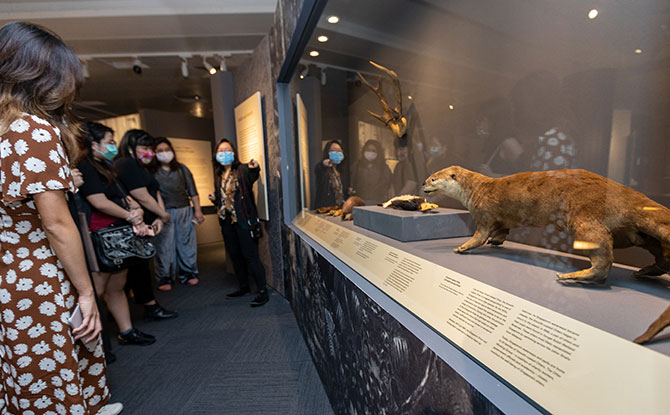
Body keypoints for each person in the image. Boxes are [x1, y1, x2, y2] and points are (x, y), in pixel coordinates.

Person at [0, 21, 122, 415]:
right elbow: (55, 224)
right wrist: (87, 291)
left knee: (26, 369)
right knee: (58, 357)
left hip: (9, 272)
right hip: (38, 272)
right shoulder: (32, 129)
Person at [77, 122, 156, 346]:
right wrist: (130, 215)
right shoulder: (85, 167)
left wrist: (137, 212)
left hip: (120, 235)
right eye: (109, 142)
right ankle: (96, 341)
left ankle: (126, 331)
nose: (113, 146)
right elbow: (98, 201)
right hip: (100, 236)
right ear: (93, 144)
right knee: (98, 288)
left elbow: (126, 196)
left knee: (117, 286)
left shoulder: (108, 166)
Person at [115, 130, 178, 320]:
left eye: (151, 148)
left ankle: (126, 306)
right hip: (134, 225)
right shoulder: (127, 164)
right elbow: (141, 195)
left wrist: (160, 216)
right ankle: (149, 305)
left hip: (147, 223)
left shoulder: (141, 167)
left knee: (137, 267)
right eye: (145, 148)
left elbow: (154, 192)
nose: (149, 152)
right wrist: (163, 215)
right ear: (130, 147)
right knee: (138, 267)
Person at [209, 139, 269, 307]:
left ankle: (262, 291)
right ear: (216, 154)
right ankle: (244, 287)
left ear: (233, 153)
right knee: (235, 256)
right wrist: (215, 200)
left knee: (251, 256)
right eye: (221, 150)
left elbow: (252, 175)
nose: (225, 152)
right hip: (227, 222)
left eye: (228, 149)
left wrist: (255, 167)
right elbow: (223, 198)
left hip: (243, 220)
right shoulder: (219, 176)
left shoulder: (242, 170)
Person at [150, 138, 204, 290]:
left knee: (185, 242)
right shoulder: (152, 172)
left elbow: (193, 191)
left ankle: (188, 272)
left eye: (167, 149)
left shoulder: (181, 169)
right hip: (162, 212)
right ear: (155, 153)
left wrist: (197, 210)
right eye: (160, 151)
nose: (164, 153)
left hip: (183, 210)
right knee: (163, 244)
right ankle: (164, 276)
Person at [351, 139, 392, 203]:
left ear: (378, 153)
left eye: (373, 151)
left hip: (379, 202)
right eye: (368, 150)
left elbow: (389, 184)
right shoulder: (357, 166)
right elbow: (352, 182)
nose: (370, 152)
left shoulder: (384, 167)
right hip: (360, 201)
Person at [313, 140, 349, 209]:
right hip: (326, 210)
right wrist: (323, 163)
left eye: (339, 151)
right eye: (333, 150)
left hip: (339, 209)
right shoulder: (324, 170)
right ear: (328, 153)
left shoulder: (341, 171)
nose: (337, 153)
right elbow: (318, 169)